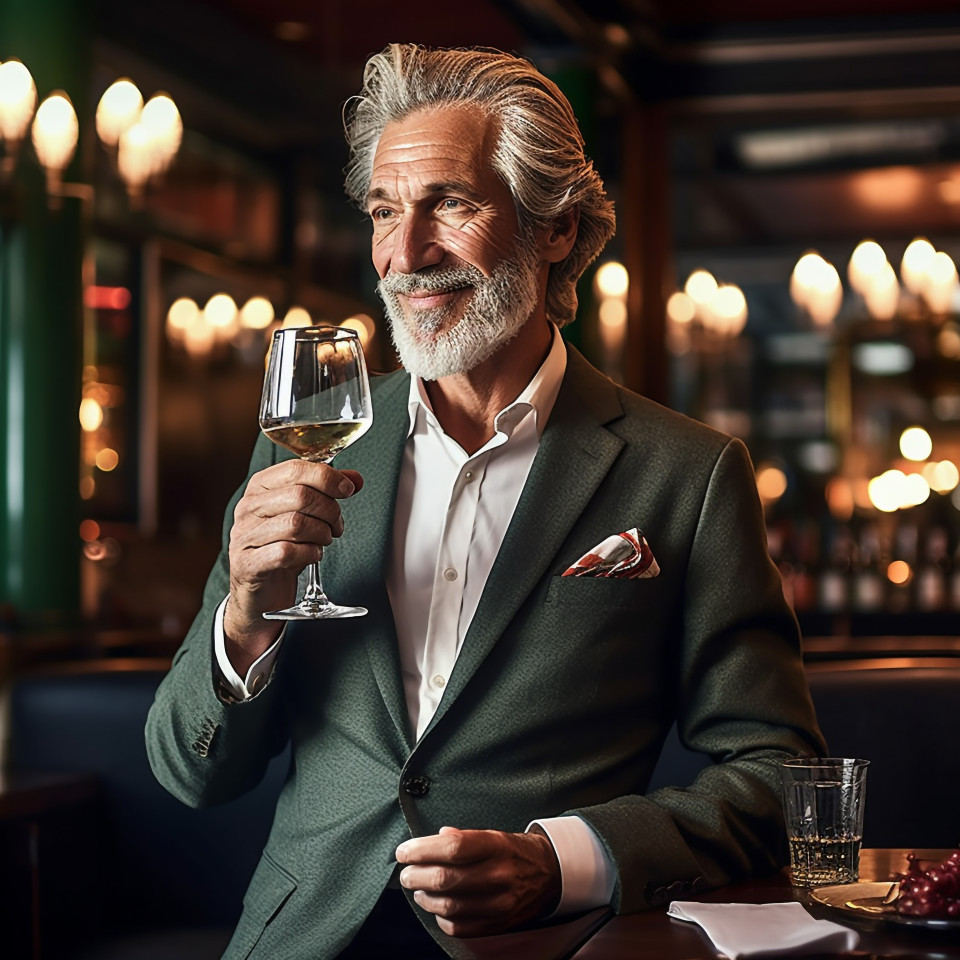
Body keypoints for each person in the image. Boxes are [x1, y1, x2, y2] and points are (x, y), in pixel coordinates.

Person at [146, 43, 825, 960]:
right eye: (385, 211)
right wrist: (244, 619)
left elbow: (780, 778)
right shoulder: (300, 441)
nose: (405, 253)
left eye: (450, 204)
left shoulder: (688, 475)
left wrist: (564, 860)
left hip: (545, 944)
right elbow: (190, 775)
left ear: (554, 229)